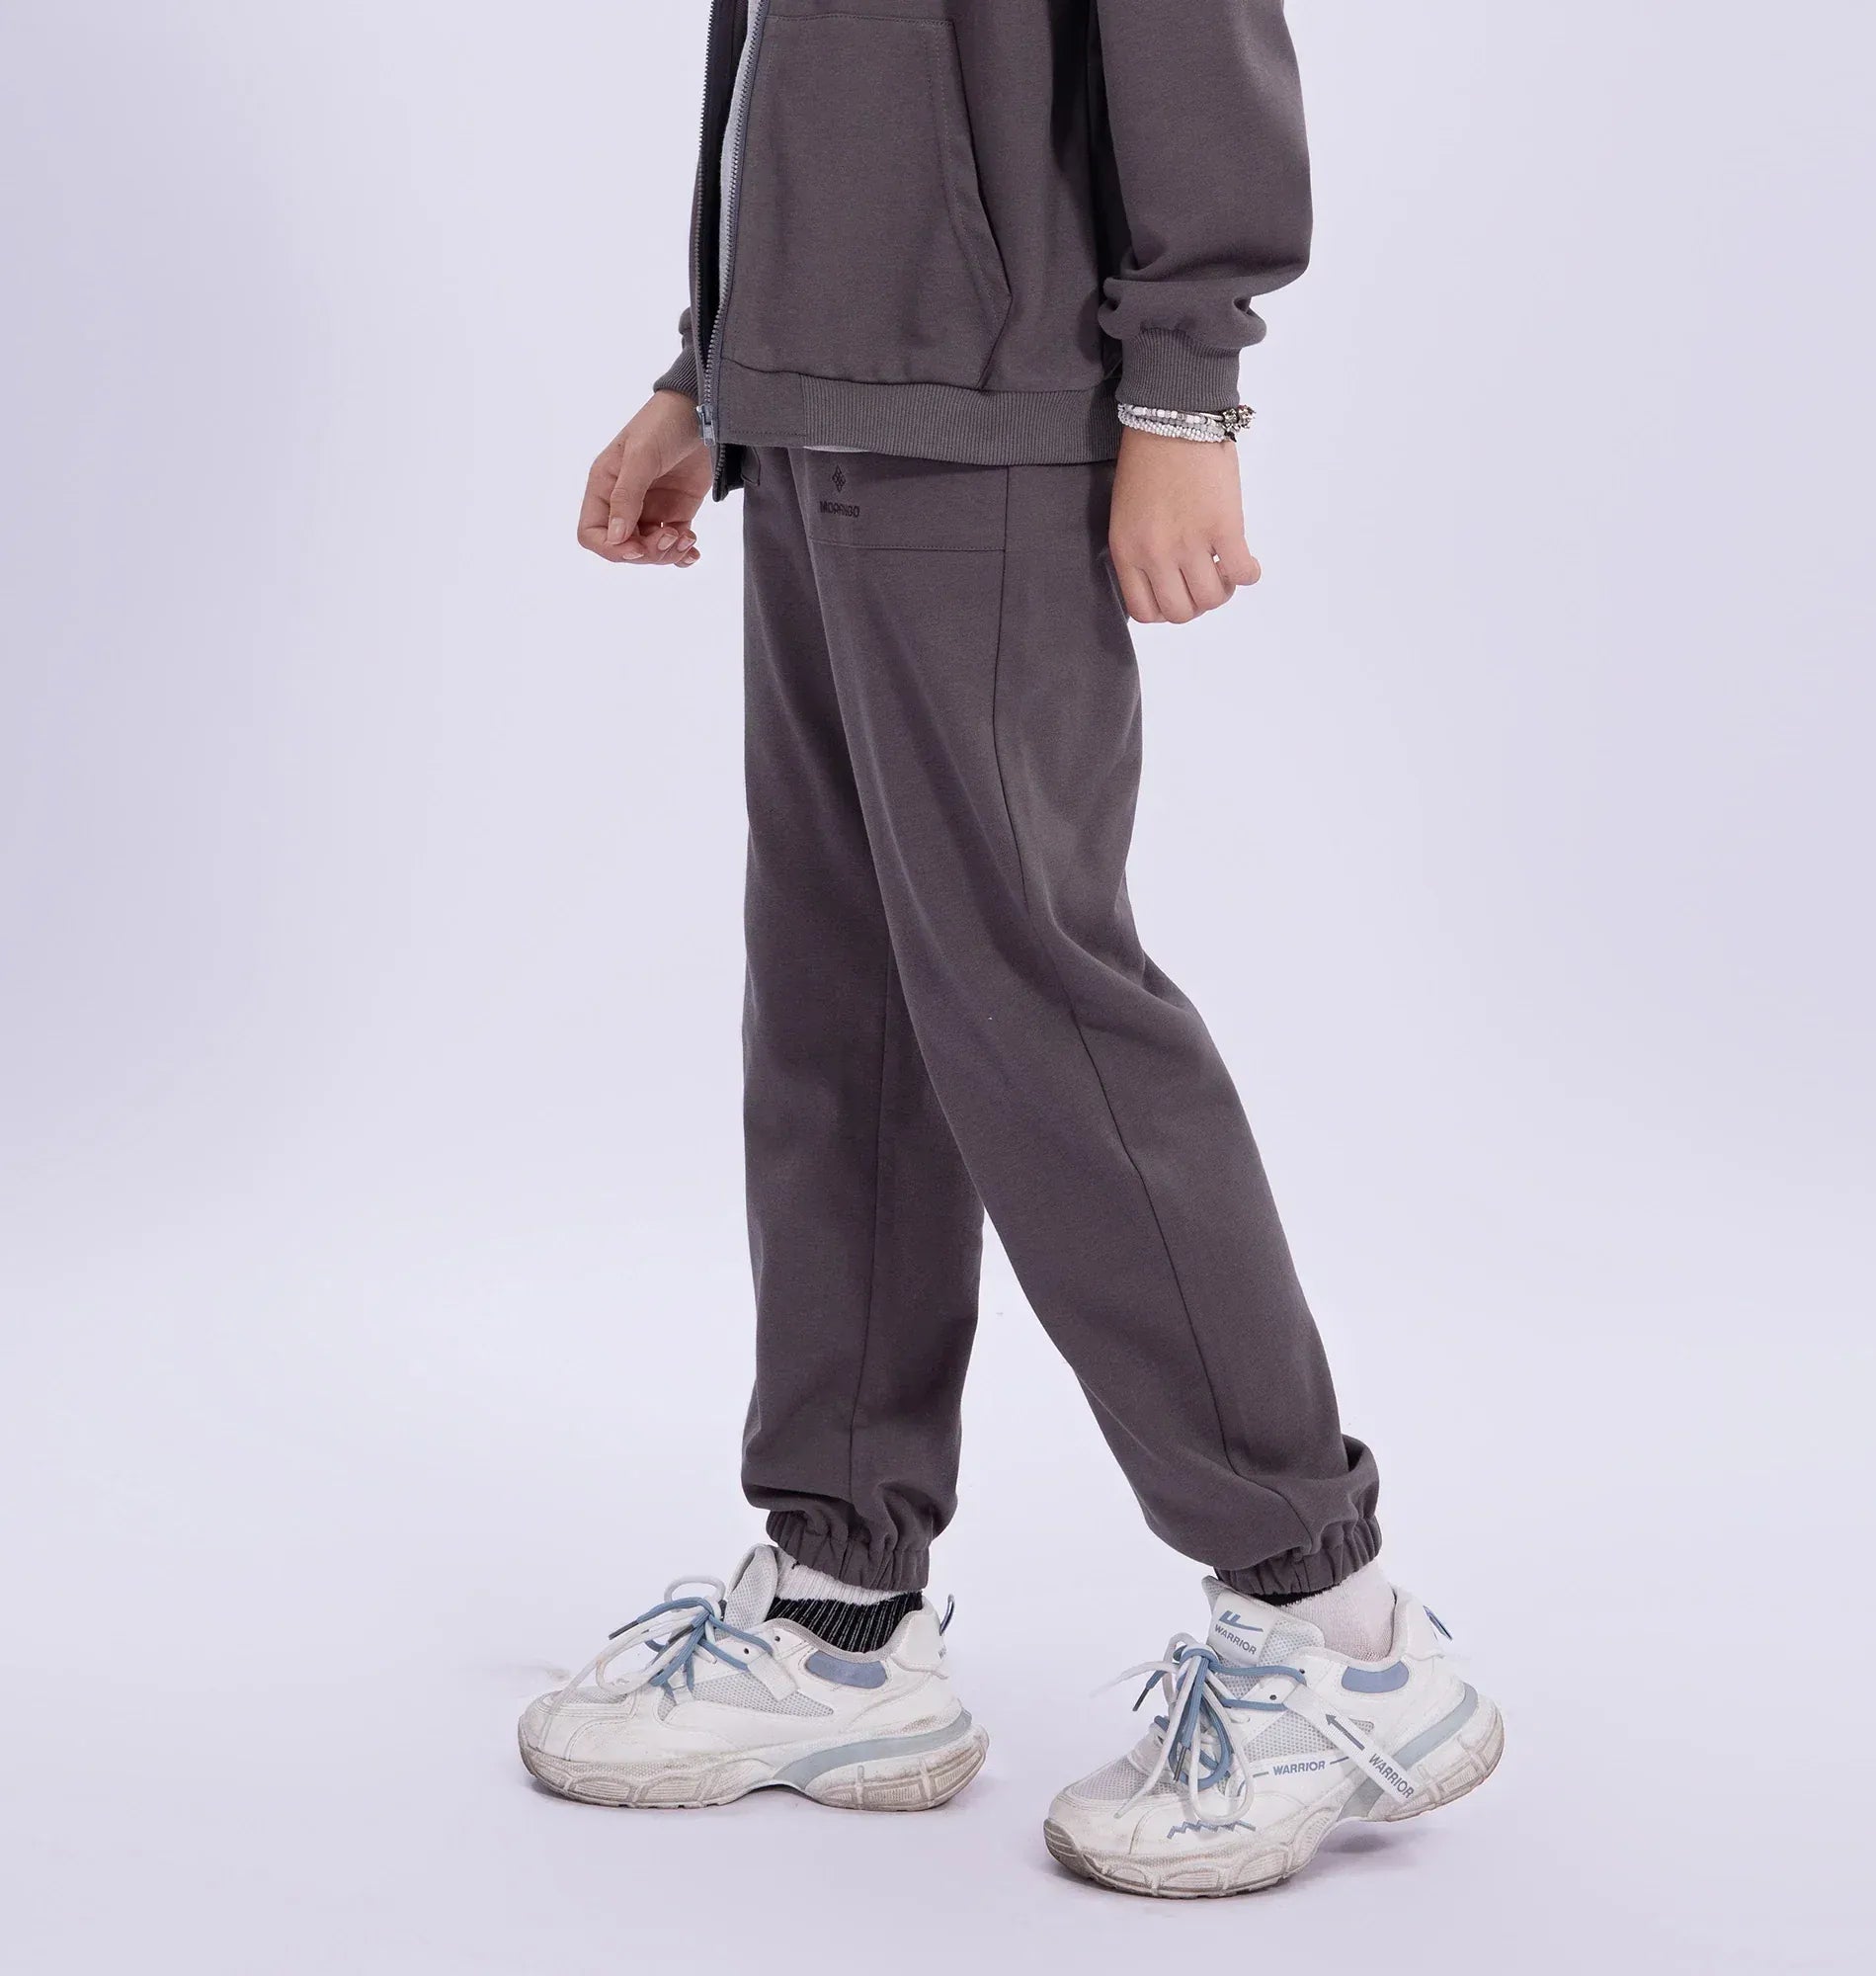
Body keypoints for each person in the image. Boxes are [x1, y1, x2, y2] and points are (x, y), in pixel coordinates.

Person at [518, 0, 1503, 1896]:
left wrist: (1188, 397)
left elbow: (1191, 45)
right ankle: (841, 1614)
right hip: (820, 401)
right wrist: (710, 371)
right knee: (841, 1006)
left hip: (995, 412)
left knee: (1037, 1007)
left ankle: (1335, 1626)